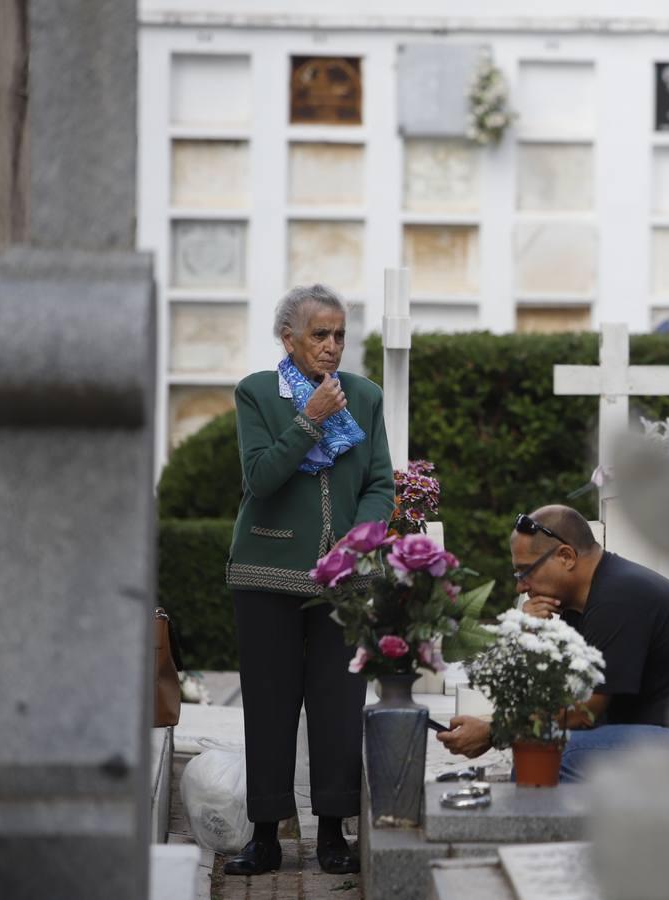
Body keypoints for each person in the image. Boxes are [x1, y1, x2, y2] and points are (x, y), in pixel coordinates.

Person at [223, 284, 393, 876]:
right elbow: (261, 480)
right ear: (288, 338)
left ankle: (331, 835)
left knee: (337, 706)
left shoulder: (366, 397)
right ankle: (265, 836)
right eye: (319, 335)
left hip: (343, 580)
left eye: (340, 335)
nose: (331, 346)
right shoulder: (255, 393)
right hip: (264, 571)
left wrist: (358, 541)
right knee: (268, 706)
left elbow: (380, 484)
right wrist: (309, 420)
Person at [437, 505, 669, 780]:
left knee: (556, 756)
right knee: (536, 752)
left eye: (526, 571)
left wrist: (493, 732)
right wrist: (529, 637)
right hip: (667, 736)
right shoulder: (580, 606)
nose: (520, 585)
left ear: (566, 556)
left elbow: (584, 712)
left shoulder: (619, 598)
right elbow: (557, 699)